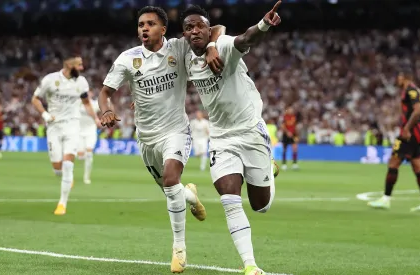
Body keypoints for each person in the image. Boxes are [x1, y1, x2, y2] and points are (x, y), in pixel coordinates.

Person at [97, 6, 225, 273]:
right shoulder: (127, 59)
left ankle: (179, 248)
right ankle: (190, 196)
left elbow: (215, 29)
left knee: (170, 179)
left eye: (151, 24)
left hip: (176, 130)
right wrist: (107, 110)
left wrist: (212, 47)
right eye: (141, 24)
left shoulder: (178, 47)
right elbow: (105, 92)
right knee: (171, 189)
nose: (144, 28)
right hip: (146, 138)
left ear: (163, 29)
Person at [180, 2, 281, 274]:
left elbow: (245, 38)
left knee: (261, 206)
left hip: (250, 132)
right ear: (184, 34)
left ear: (208, 28)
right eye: (188, 28)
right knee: (229, 199)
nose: (194, 31)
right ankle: (250, 265)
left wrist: (263, 25)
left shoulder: (222, 45)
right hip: (222, 138)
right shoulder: (184, 56)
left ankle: (269, 170)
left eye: (200, 25)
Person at [31, 54, 100, 216]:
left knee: (68, 164)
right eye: (79, 64)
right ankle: (64, 176)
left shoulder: (81, 82)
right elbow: (35, 99)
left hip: (72, 126)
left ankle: (62, 203)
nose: (82, 68)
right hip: (54, 127)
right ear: (69, 64)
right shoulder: (50, 80)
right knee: (57, 167)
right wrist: (45, 115)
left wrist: (95, 118)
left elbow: (86, 103)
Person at [368, 70, 420, 212]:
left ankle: (385, 199)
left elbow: (418, 110)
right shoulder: (412, 91)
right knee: (418, 166)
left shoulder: (411, 90)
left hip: (411, 133)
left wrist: (407, 128)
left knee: (393, 162)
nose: (396, 80)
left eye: (398, 77)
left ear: (405, 77)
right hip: (417, 134)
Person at [77, 90, 101, 184]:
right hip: (79, 132)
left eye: (90, 92)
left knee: (89, 153)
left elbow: (104, 105)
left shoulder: (94, 104)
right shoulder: (77, 104)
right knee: (80, 156)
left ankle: (86, 177)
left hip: (91, 131)